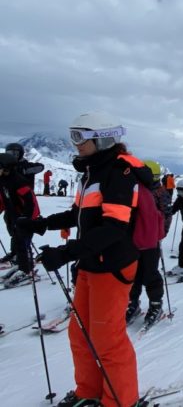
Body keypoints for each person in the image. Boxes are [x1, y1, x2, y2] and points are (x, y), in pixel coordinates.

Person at [16, 112, 144, 407]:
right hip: (90, 262)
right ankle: (88, 391)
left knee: (107, 338)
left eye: (79, 136)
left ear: (101, 139)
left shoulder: (118, 174)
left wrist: (66, 253)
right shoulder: (92, 173)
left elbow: (114, 227)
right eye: (72, 135)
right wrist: (41, 224)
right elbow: (79, 215)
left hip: (112, 265)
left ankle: (121, 401)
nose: (74, 143)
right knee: (80, 332)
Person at [127, 160, 172, 326]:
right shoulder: (135, 189)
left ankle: (155, 304)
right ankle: (132, 302)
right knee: (133, 273)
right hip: (133, 238)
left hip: (151, 240)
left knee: (149, 273)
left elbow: (167, 214)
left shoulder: (160, 192)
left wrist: (160, 233)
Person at [0, 152, 40, 287]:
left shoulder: (19, 182)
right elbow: (3, 199)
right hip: (14, 216)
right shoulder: (3, 180)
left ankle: (26, 270)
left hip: (26, 218)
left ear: (7, 168)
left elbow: (31, 203)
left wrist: (26, 219)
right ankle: (22, 266)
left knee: (23, 243)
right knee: (17, 242)